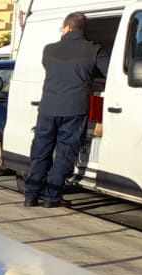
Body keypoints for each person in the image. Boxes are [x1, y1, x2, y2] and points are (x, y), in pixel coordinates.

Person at [25, 12, 107, 208]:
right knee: (65, 153)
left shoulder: (50, 50)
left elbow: (49, 68)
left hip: (48, 108)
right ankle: (52, 197)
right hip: (75, 109)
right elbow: (109, 72)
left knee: (41, 151)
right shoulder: (94, 50)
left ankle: (30, 196)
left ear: (68, 27)